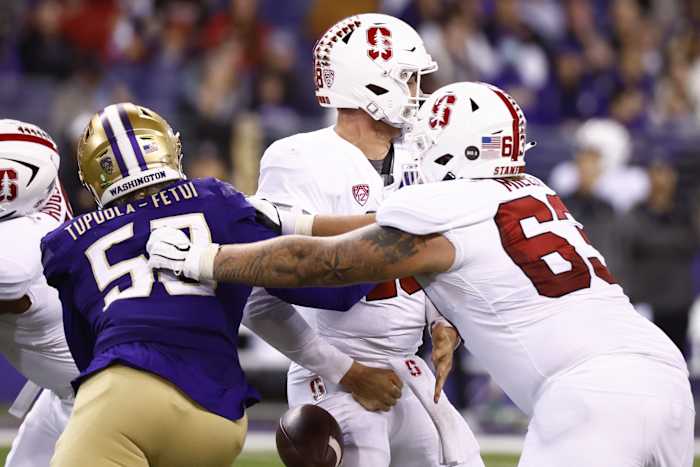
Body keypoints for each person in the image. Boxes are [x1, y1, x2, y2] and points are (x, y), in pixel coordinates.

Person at [150, 82, 695, 467]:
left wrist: (210, 259)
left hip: (591, 391)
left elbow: (324, 262)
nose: (417, 148)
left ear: (456, 148)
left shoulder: (449, 202)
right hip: (663, 373)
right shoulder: (536, 193)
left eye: (430, 138)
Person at [41, 102, 403, 467]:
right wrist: (392, 242)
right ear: (168, 149)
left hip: (125, 392)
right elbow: (322, 284)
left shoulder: (68, 243)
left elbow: (86, 355)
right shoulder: (215, 201)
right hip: (217, 417)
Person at [245, 13, 482, 467]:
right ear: (371, 84)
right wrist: (348, 373)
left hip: (407, 369)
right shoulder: (298, 159)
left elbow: (429, 259)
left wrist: (441, 322)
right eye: (408, 80)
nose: (417, 94)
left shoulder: (422, 157)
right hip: (336, 372)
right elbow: (260, 300)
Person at [0, 119, 78, 467]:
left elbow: (12, 286)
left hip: (100, 398)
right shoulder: (38, 204)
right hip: (68, 390)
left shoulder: (27, 241)